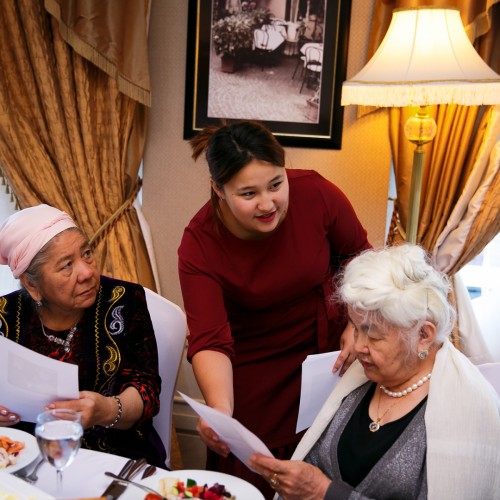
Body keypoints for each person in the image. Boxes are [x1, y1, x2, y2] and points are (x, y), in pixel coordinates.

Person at [178, 120, 371, 497]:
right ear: (218, 189)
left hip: (328, 361)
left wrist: (357, 321)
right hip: (253, 376)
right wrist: (220, 410)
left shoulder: (317, 194)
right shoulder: (199, 243)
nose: (267, 204)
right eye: (248, 193)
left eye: (276, 184)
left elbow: (360, 259)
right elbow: (210, 340)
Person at [248, 244, 500, 500]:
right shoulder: (362, 378)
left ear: (423, 335)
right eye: (355, 329)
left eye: (374, 335)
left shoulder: (467, 410)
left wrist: (325, 493)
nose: (358, 347)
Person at [0, 204, 166, 467]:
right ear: (32, 284)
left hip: (115, 457)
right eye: (67, 265)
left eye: (86, 254)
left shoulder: (123, 301)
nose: (88, 272)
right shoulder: (5, 315)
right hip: (28, 458)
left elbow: (147, 389)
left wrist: (107, 410)